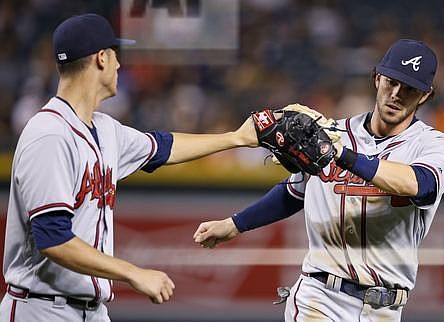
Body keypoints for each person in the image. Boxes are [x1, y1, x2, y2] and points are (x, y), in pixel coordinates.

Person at [0, 13, 257, 322]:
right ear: (100, 58)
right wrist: (133, 273)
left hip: (91, 311)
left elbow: (165, 147)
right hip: (40, 308)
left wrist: (236, 138)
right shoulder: (50, 134)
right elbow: (53, 239)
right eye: (115, 55)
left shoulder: (106, 129)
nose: (120, 65)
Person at [193, 39, 444, 322]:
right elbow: (294, 192)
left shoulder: (434, 145)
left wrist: (342, 155)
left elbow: (420, 185)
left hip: (386, 309)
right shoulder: (334, 133)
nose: (396, 94)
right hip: (321, 297)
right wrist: (235, 224)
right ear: (376, 78)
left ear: (426, 96)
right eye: (391, 82)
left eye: (409, 89)